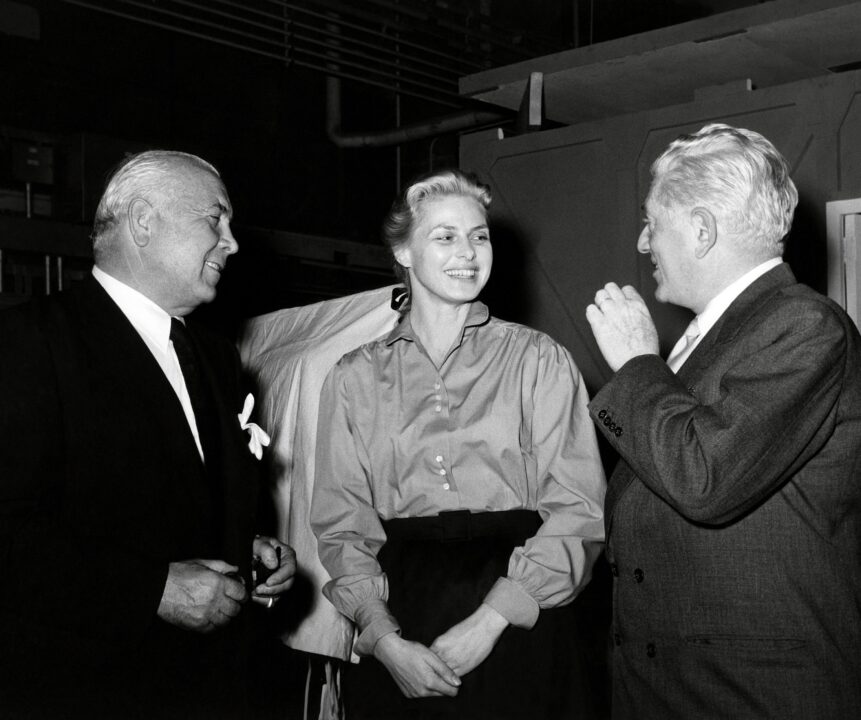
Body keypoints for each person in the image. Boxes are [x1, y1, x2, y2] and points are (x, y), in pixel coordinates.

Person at [0, 150, 297, 720]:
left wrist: (248, 549)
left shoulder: (214, 356)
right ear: (142, 220)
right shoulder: (28, 344)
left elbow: (186, 498)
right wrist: (150, 590)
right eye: (215, 219)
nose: (232, 242)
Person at [585, 123, 861, 719]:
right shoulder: (713, 336)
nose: (642, 243)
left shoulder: (805, 326)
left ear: (703, 230)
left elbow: (704, 476)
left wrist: (636, 362)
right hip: (680, 689)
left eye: (653, 223)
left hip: (752, 695)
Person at [311, 169, 607, 719]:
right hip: (403, 606)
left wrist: (492, 619)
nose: (467, 252)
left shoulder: (539, 360)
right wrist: (381, 637)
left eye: (479, 235)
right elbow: (342, 525)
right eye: (444, 236)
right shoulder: (352, 377)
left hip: (520, 599)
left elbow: (580, 512)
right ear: (403, 249)